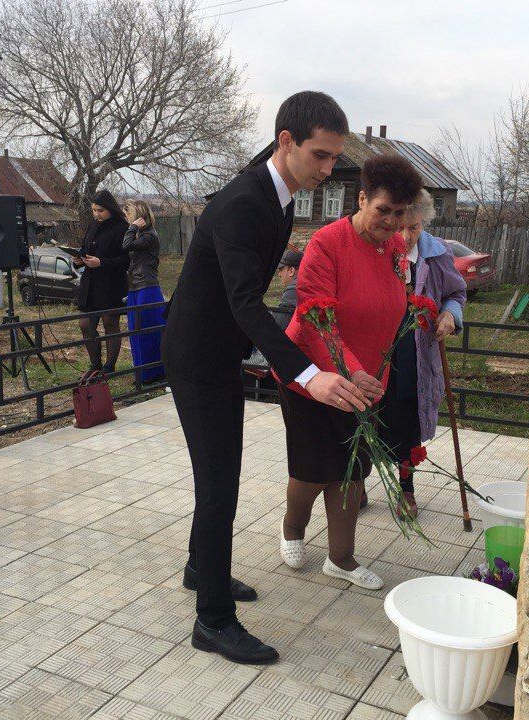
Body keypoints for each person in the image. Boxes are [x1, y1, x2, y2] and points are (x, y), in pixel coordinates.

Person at [162, 90, 368, 665]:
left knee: (220, 473)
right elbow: (246, 303)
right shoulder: (244, 203)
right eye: (321, 156)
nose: (329, 169)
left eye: (335, 158)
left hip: (220, 354)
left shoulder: (279, 198)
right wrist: (307, 375)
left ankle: (201, 570)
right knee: (220, 482)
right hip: (197, 358)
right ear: (286, 142)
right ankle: (212, 620)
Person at [277, 153, 424, 591]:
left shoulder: (395, 247)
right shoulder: (326, 244)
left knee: (352, 469)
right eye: (383, 211)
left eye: (401, 214)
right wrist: (351, 370)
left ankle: (340, 558)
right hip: (314, 379)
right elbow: (317, 321)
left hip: (366, 382)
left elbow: (389, 307)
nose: (393, 223)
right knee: (313, 469)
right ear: (361, 199)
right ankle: (292, 527)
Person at [373, 189, 467, 518]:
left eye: (414, 227)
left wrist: (449, 315)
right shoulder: (375, 249)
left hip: (414, 355)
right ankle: (356, 483)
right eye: (400, 226)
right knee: (368, 415)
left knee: (407, 422)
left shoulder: (436, 254)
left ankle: (405, 491)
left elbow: (456, 292)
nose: (406, 235)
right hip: (373, 352)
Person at [74, 189, 129, 375]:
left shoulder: (122, 228)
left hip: (111, 285)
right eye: (94, 210)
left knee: (110, 324)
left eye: (100, 210)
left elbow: (126, 260)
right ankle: (95, 365)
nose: (96, 214)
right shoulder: (92, 226)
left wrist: (102, 263)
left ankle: (109, 367)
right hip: (90, 284)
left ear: (110, 209)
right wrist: (79, 258)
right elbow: (85, 247)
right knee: (85, 325)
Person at [122, 200, 165, 383]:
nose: (126, 219)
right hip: (135, 288)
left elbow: (127, 245)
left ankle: (153, 373)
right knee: (136, 332)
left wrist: (132, 227)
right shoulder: (140, 234)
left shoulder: (149, 236)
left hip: (147, 288)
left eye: (128, 215)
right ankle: (142, 372)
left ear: (138, 216)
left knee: (148, 332)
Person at [274, 248, 302, 329]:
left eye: (281, 269)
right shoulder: (312, 283)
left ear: (291, 271)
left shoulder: (293, 290)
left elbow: (279, 326)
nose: (279, 274)